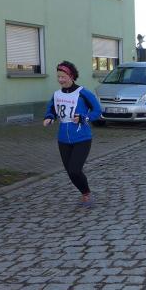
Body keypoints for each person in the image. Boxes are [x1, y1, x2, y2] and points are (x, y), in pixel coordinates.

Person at [43, 61, 102, 207]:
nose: (60, 80)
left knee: (75, 170)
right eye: (58, 77)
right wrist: (49, 118)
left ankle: (87, 195)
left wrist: (84, 118)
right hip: (63, 139)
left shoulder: (83, 93)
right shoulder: (56, 95)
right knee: (70, 171)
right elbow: (52, 109)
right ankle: (84, 194)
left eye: (63, 77)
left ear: (71, 76)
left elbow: (97, 111)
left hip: (82, 137)